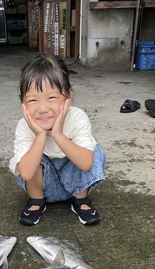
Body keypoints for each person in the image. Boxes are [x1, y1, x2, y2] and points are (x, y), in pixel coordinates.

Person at [9, 53, 106, 226]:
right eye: (32, 100)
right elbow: (26, 173)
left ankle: (81, 199)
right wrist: (40, 136)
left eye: (51, 97)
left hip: (75, 183)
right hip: (45, 187)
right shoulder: (25, 126)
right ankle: (36, 200)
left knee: (93, 151)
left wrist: (58, 135)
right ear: (22, 103)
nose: (43, 108)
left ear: (69, 96)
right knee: (27, 159)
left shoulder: (77, 118)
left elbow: (85, 164)